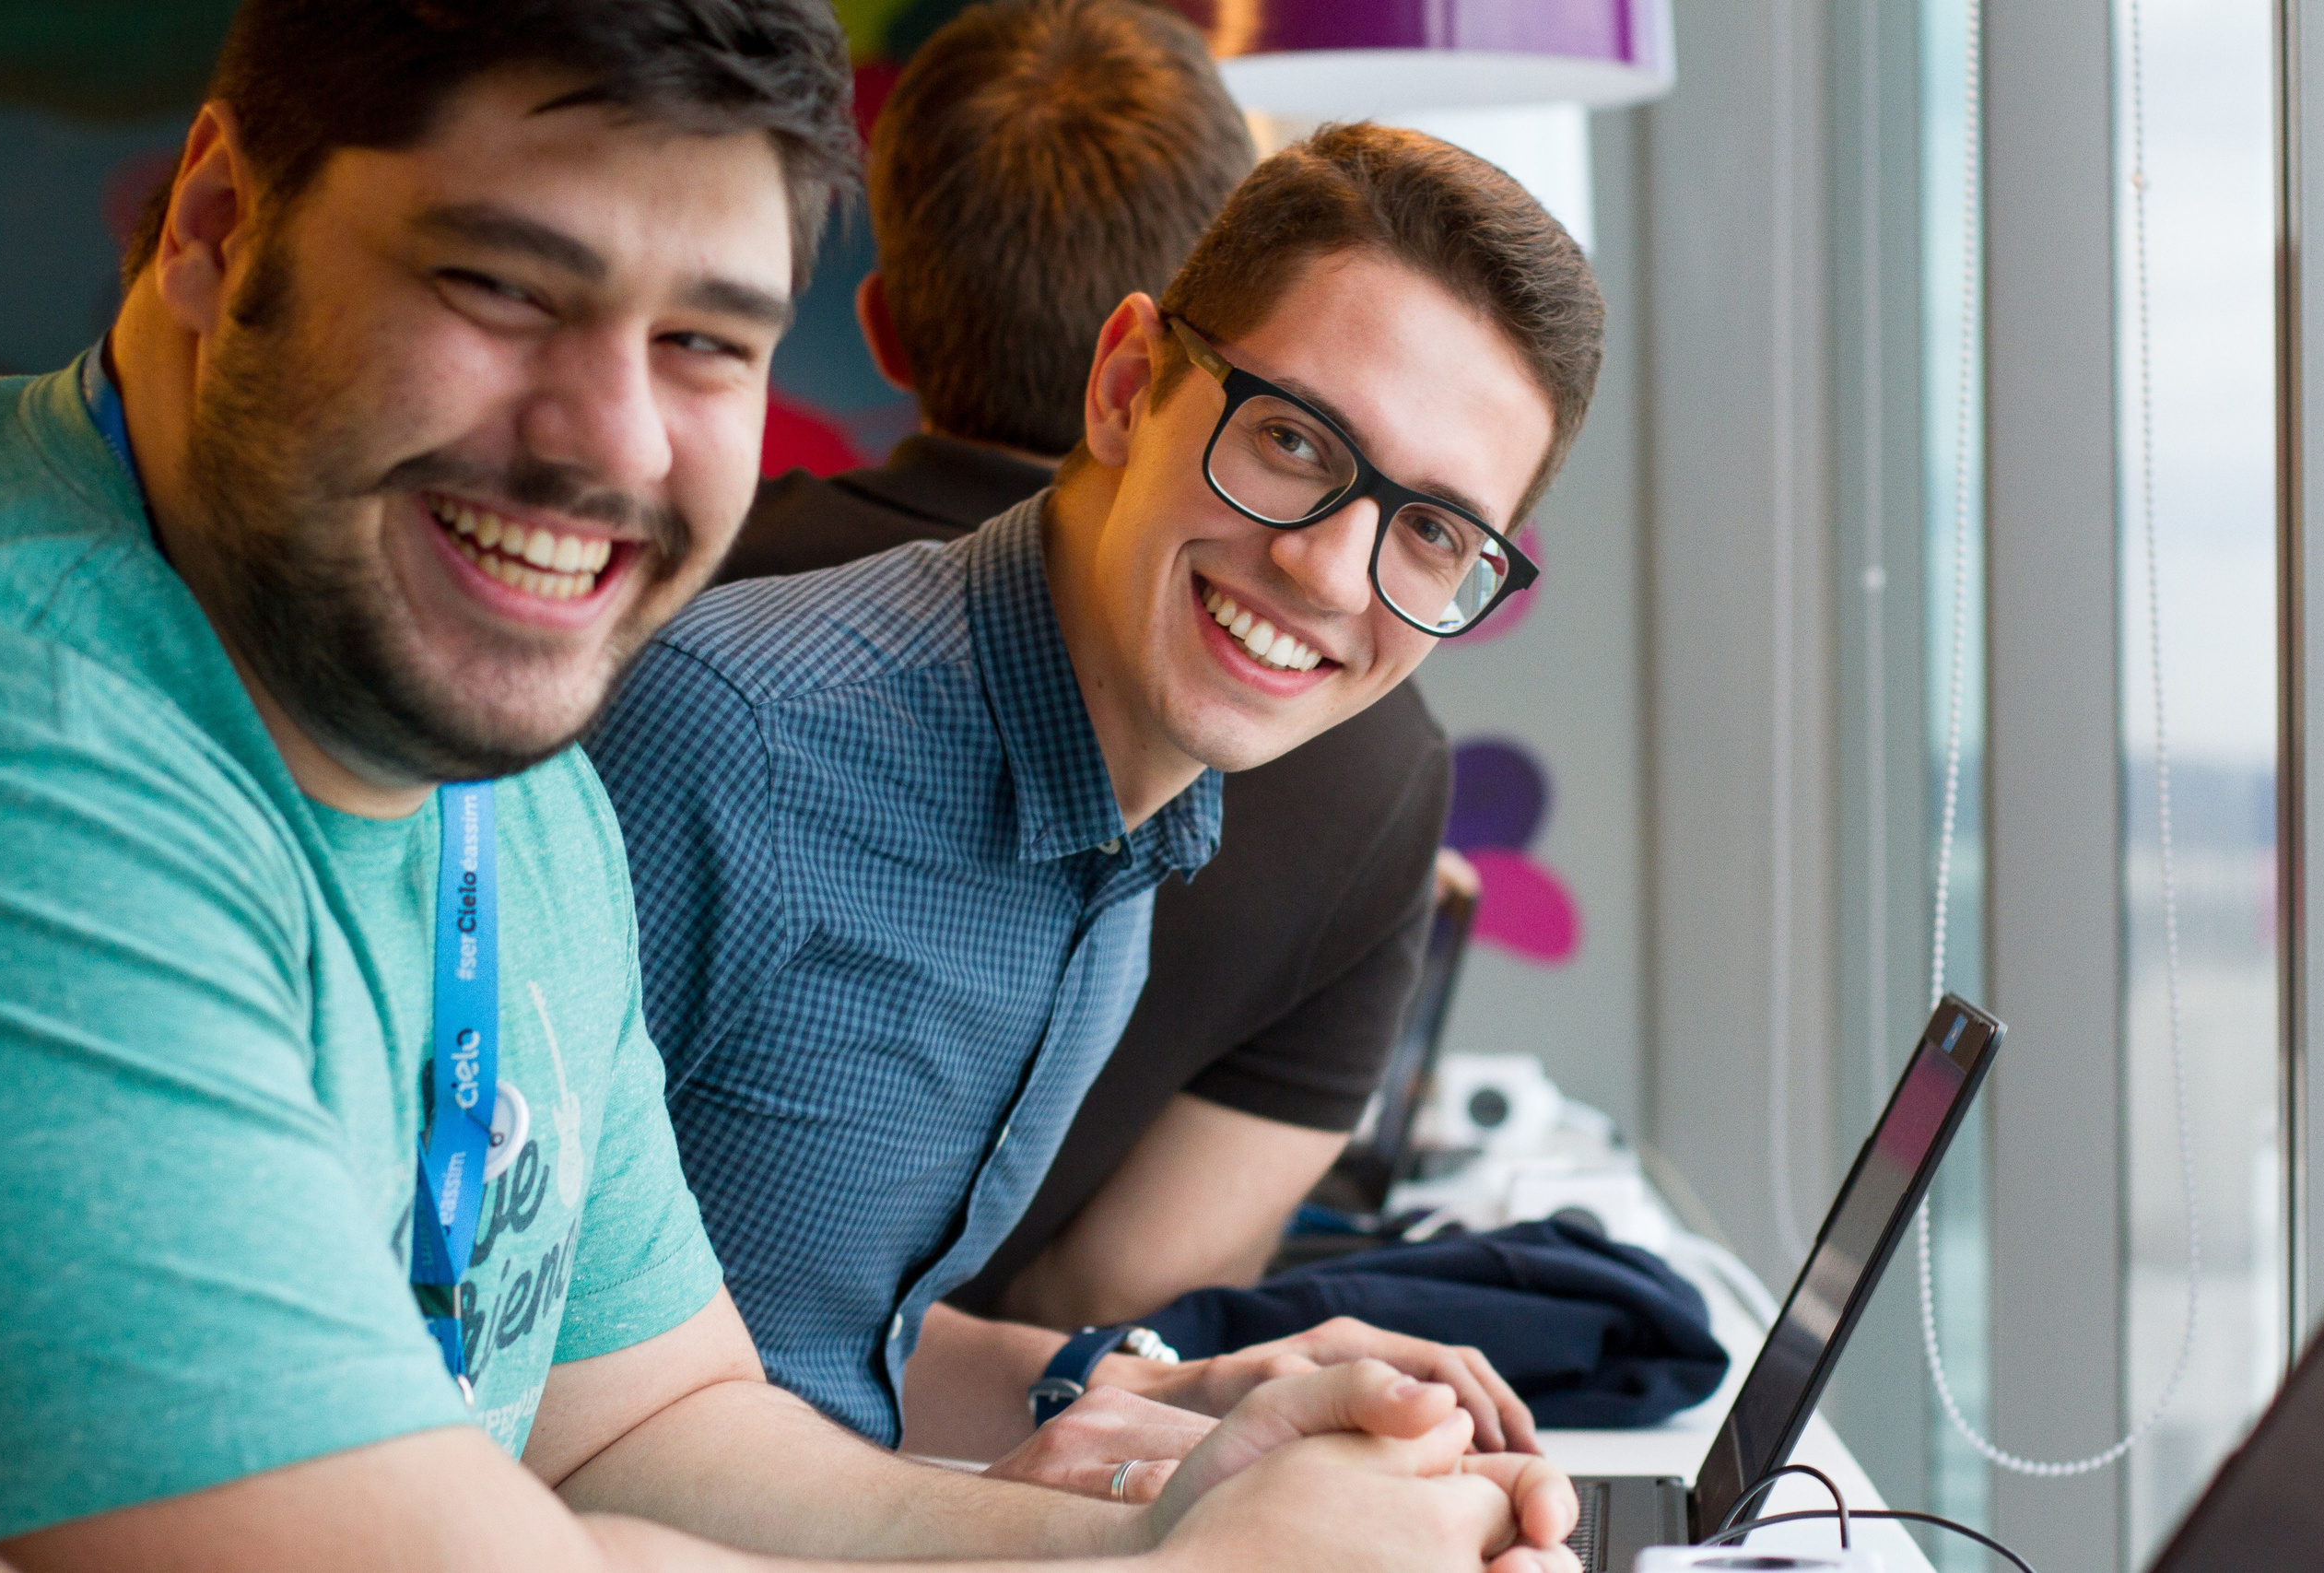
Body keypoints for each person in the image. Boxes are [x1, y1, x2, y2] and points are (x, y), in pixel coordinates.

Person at [0, 2, 1582, 1569]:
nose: (614, 443)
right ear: (213, 223)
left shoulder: (494, 748)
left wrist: (1168, 1495)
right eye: (500, 285)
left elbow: (646, 1427)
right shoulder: (36, 736)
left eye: (704, 342)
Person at [588, 70, 1605, 1485]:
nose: (1325, 569)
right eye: (1293, 440)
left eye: (1432, 532)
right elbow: (497, 1401)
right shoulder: (738, 743)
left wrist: (1167, 1393)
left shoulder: (1140, 801)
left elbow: (804, 1350)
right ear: (1130, 385)